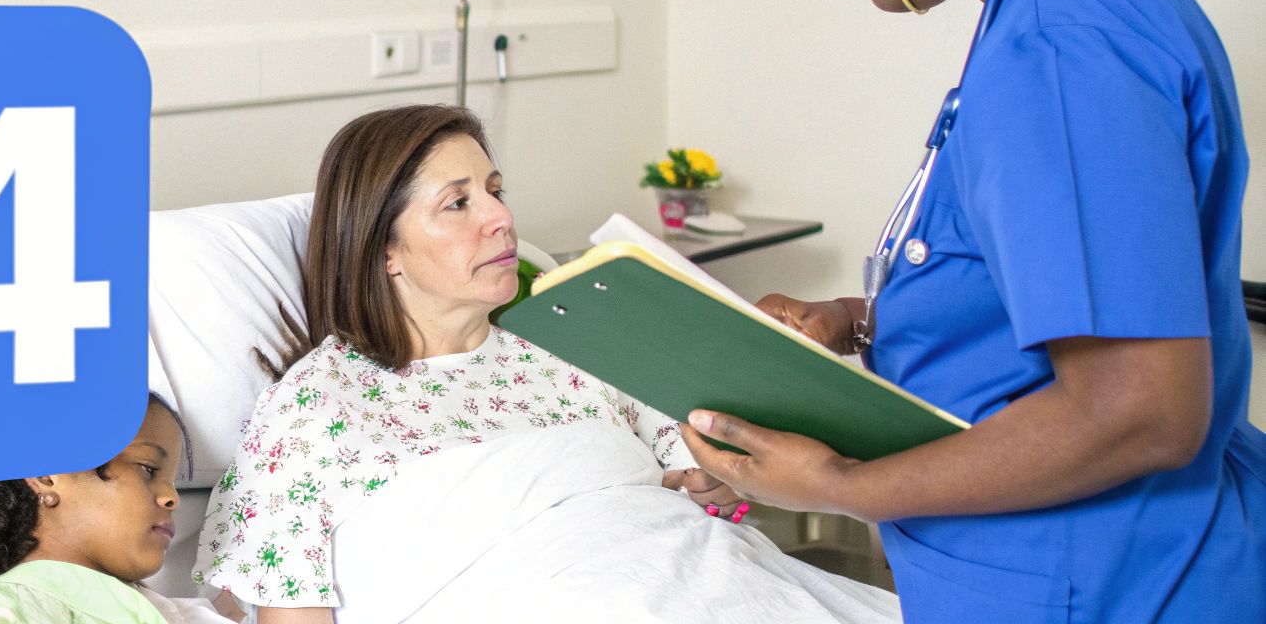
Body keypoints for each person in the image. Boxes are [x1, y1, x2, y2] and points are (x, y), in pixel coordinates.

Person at [678, 0, 1266, 622]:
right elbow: (1040, 294)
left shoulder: (1059, 42)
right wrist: (863, 322)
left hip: (1104, 582)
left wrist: (832, 487)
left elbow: (1138, 412)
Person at [195, 104, 898, 623]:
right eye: (458, 204)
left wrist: (715, 484)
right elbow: (286, 607)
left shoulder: (574, 348)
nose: (499, 218)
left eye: (495, 190)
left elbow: (699, 483)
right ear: (382, 249)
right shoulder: (317, 409)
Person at [0, 394, 240, 624]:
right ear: (46, 476)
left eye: (174, 482)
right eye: (147, 469)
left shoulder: (187, 614)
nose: (171, 498)